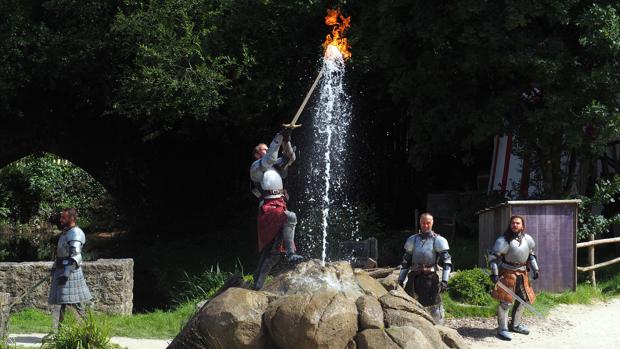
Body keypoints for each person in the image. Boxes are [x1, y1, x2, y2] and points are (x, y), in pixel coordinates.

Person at [249, 126, 303, 290]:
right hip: (268, 207)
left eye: (268, 149)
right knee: (291, 217)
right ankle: (291, 254)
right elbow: (270, 158)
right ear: (257, 154)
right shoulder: (256, 167)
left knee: (272, 254)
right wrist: (279, 136)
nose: (268, 151)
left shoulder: (275, 167)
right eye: (264, 150)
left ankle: (256, 286)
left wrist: (286, 140)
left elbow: (290, 157)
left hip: (279, 204)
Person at [488, 215, 539, 341]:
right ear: (510, 225)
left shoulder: (528, 239)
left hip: (522, 274)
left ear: (522, 225)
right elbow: (493, 259)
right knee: (505, 302)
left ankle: (515, 325)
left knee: (523, 300)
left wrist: (535, 269)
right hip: (508, 273)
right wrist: (494, 274)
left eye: (517, 223)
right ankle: (502, 329)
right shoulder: (504, 240)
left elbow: (531, 255)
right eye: (512, 223)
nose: (514, 225)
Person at [398, 212, 452, 324]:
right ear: (420, 223)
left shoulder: (438, 240)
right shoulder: (412, 240)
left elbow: (447, 262)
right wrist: (400, 280)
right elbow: (406, 262)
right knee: (410, 309)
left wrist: (445, 281)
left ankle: (437, 333)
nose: (425, 225)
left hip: (430, 279)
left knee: (434, 310)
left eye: (428, 223)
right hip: (413, 279)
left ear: (432, 223)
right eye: (423, 223)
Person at [48, 208, 92, 331]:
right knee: (60, 303)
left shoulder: (75, 233)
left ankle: (88, 331)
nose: (61, 220)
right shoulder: (66, 232)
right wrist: (55, 268)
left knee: (75, 302)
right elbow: (61, 254)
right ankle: (60, 332)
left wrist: (66, 273)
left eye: (64, 218)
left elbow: (76, 256)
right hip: (61, 270)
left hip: (70, 273)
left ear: (71, 218)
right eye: (61, 217)